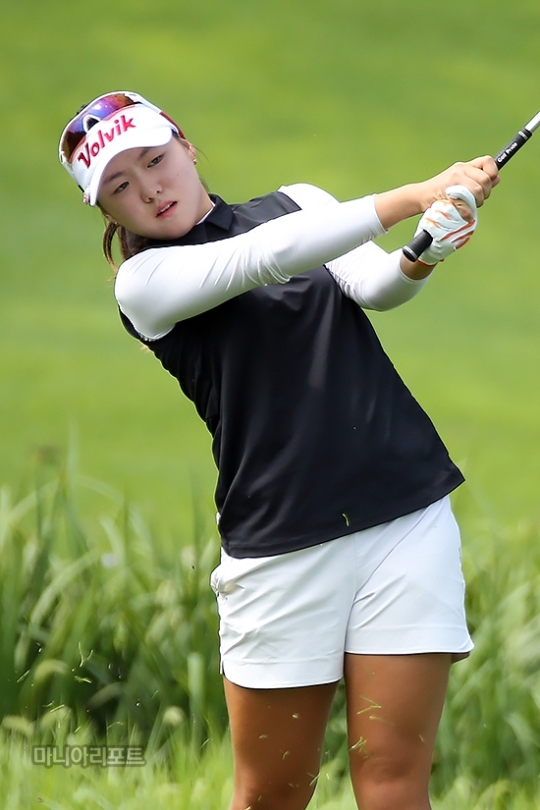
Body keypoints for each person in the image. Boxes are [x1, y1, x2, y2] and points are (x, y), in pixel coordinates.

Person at [59, 90, 499, 810]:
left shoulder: (299, 203)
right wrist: (415, 193)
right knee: (272, 794)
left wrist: (424, 246)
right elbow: (265, 257)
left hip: (404, 516)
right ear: (107, 212)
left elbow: (373, 286)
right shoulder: (145, 284)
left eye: (156, 161)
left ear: (186, 145)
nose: (150, 190)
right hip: (283, 547)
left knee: (395, 783)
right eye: (121, 187)